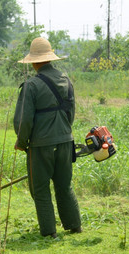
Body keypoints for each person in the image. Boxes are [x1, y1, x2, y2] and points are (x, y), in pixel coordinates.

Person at [13, 37, 82, 238]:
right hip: (65, 142)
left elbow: (23, 121)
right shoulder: (66, 80)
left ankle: (49, 232)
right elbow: (71, 113)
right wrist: (62, 133)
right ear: (50, 59)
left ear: (34, 62)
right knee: (63, 185)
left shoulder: (31, 86)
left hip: (41, 146)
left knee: (40, 189)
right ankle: (74, 225)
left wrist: (22, 141)